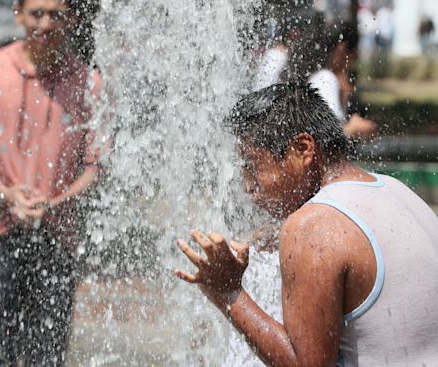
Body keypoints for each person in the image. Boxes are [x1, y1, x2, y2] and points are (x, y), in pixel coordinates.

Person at [175, 82, 438, 366]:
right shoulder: (394, 188)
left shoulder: (312, 226)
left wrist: (228, 292)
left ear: (302, 148)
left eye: (252, 166)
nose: (247, 185)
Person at [0, 0, 103, 365]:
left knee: (47, 356)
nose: (45, 24)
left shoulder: (88, 83)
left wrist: (57, 201)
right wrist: (6, 192)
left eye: (56, 15)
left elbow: (95, 167)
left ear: (72, 19)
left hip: (57, 237)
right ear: (19, 14)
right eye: (36, 13)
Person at [307, 22, 376, 139]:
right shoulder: (325, 79)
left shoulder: (322, 77)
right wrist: (354, 129)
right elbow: (327, 137)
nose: (356, 58)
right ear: (342, 49)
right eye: (355, 53)